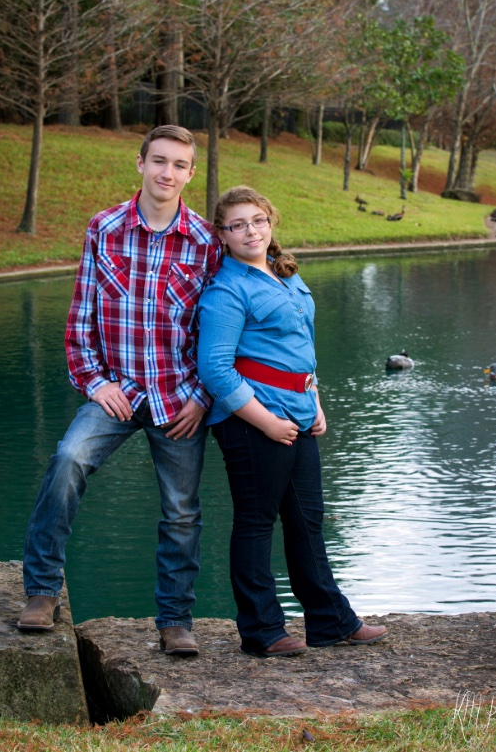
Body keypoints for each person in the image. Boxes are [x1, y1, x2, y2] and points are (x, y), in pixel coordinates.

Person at [18, 125, 222, 657]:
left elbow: (219, 332)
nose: (167, 173)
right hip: (117, 391)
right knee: (68, 459)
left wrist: (202, 396)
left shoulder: (206, 242)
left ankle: (175, 621)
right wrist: (96, 382)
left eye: (179, 165)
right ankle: (42, 591)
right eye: (159, 161)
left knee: (181, 510)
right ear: (140, 163)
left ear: (191, 174)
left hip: (180, 397)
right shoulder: (104, 227)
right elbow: (79, 320)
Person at [196, 186, 387, 657]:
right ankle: (261, 631)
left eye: (257, 220)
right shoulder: (226, 291)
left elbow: (301, 346)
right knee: (257, 522)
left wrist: (314, 399)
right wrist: (265, 422)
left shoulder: (284, 274)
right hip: (252, 419)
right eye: (237, 225)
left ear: (271, 222)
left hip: (299, 411)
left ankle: (330, 621)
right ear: (222, 234)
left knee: (307, 520)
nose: (250, 231)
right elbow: (215, 369)